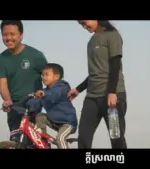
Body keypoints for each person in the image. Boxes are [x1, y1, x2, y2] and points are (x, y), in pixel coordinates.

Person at [68, 20, 127, 149]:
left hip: (112, 96)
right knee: (83, 137)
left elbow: (115, 65)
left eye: (85, 22)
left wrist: (112, 92)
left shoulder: (112, 35)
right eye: (81, 24)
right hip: (92, 97)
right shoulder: (92, 41)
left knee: (116, 138)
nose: (84, 27)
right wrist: (78, 89)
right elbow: (96, 71)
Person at [0, 20, 48, 144]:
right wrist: (8, 101)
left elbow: (50, 77)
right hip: (15, 105)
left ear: (21, 35)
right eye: (5, 34)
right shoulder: (0, 59)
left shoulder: (36, 55)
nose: (8, 38)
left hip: (34, 103)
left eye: (12, 34)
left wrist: (47, 95)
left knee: (34, 142)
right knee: (16, 141)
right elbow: (3, 85)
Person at [27, 63, 78, 149]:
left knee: (60, 138)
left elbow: (54, 95)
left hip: (68, 123)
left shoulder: (62, 87)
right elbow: (36, 102)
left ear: (56, 77)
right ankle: (44, 143)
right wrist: (22, 105)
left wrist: (43, 94)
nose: (44, 77)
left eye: (47, 74)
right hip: (54, 121)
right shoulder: (44, 91)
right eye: (42, 75)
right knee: (40, 116)